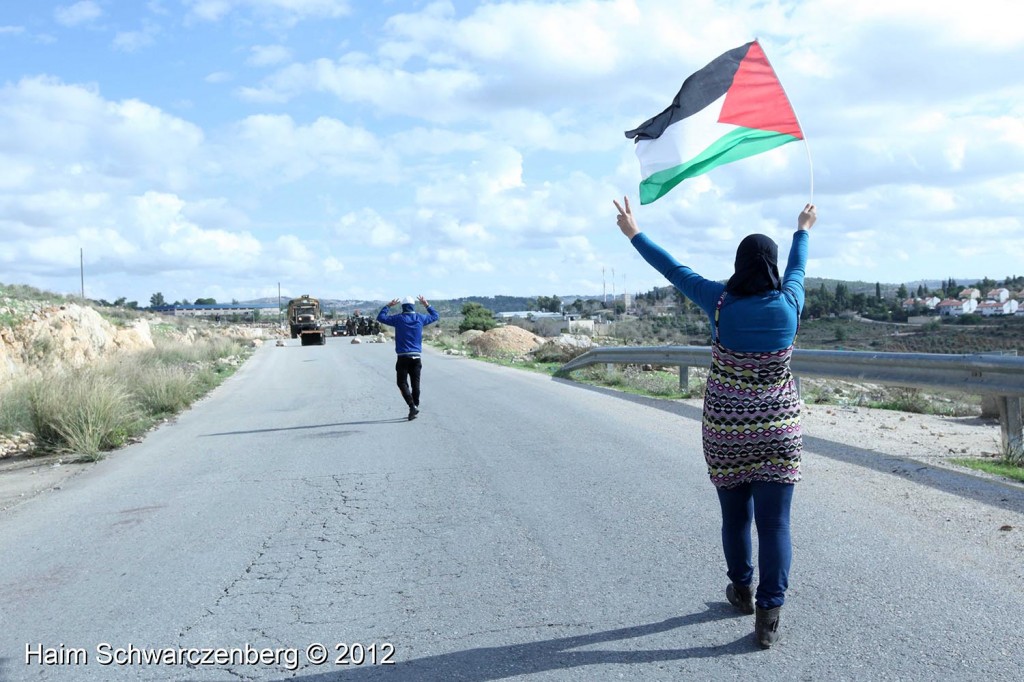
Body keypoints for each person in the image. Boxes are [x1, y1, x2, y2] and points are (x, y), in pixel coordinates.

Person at [613, 196, 817, 649]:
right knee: (776, 524)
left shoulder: (720, 303)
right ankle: (768, 614)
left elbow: (674, 270)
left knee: (735, 518)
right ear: (772, 267)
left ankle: (741, 590)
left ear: (738, 264)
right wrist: (802, 227)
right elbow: (799, 266)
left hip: (725, 428)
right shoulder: (789, 305)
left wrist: (633, 232)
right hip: (779, 427)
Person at [377, 296, 439, 420]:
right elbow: (435, 316)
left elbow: (380, 317)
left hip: (403, 357)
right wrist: (427, 305)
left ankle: (412, 406)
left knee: (401, 383)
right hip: (416, 357)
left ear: (403, 306)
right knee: (415, 384)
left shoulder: (398, 319)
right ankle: (415, 405)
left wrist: (388, 305)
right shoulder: (420, 318)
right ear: (413, 306)